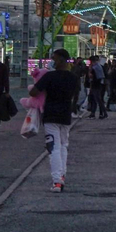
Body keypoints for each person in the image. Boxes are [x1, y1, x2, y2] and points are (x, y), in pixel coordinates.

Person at [31, 49, 81, 191]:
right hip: (66, 115)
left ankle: (57, 181)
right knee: (64, 145)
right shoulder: (73, 78)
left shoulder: (49, 77)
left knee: (53, 147)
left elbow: (33, 92)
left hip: (51, 115)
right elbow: (74, 94)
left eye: (53, 58)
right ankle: (62, 174)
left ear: (60, 60)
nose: (51, 61)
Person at [86, 54, 107, 119]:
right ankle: (93, 113)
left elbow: (94, 76)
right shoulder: (98, 66)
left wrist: (90, 72)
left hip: (96, 85)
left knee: (97, 100)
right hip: (98, 85)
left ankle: (103, 113)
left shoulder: (95, 67)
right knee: (95, 99)